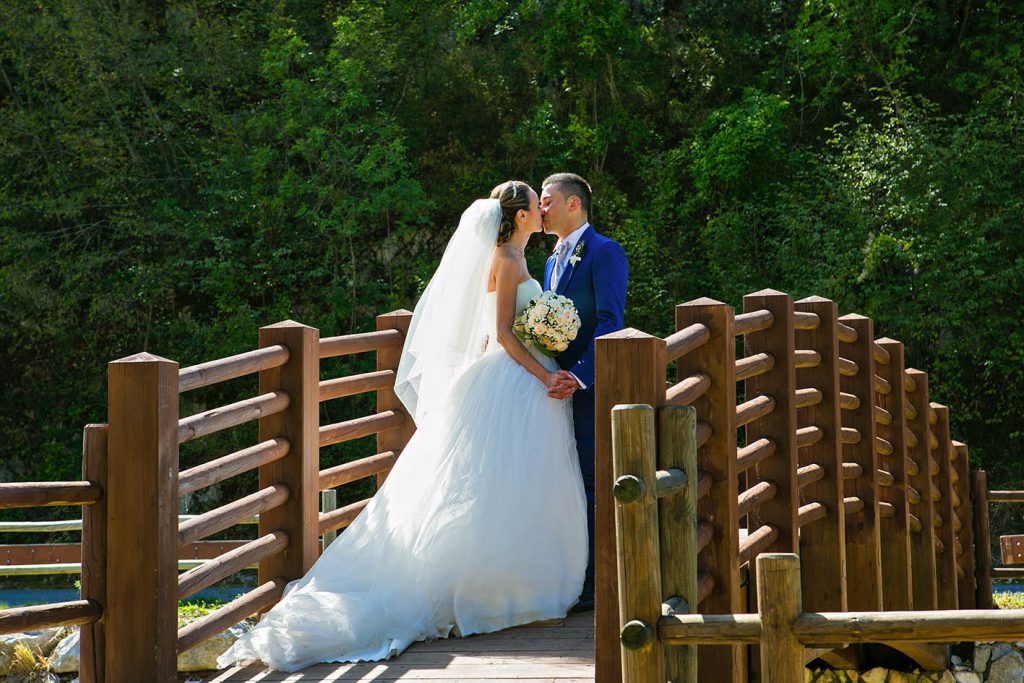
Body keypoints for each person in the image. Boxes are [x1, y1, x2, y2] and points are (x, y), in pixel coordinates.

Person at [217, 181, 588, 673]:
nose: (543, 212)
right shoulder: (508, 261)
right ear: (519, 217)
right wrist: (544, 373)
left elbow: (494, 331)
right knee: (495, 483)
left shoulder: (521, 259)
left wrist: (547, 344)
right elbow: (501, 333)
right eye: (535, 207)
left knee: (515, 484)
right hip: (519, 379)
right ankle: (490, 592)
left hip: (522, 379)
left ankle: (516, 587)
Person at [540, 173, 629, 611]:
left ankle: (597, 583)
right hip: (552, 389)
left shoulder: (604, 252)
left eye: (547, 200)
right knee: (563, 481)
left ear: (573, 205)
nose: (541, 208)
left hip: (586, 388)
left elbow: (612, 321)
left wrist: (579, 375)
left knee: (592, 482)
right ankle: (568, 573)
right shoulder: (548, 260)